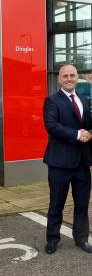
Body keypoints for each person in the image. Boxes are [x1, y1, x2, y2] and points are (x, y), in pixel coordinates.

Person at [43, 64, 92, 254]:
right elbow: (52, 126)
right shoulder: (52, 101)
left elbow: (88, 125)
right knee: (57, 203)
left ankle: (81, 239)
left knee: (82, 203)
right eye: (66, 76)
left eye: (72, 75)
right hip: (60, 163)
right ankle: (52, 240)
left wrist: (90, 133)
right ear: (59, 79)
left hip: (81, 162)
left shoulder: (83, 100)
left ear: (77, 77)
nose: (69, 79)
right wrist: (77, 135)